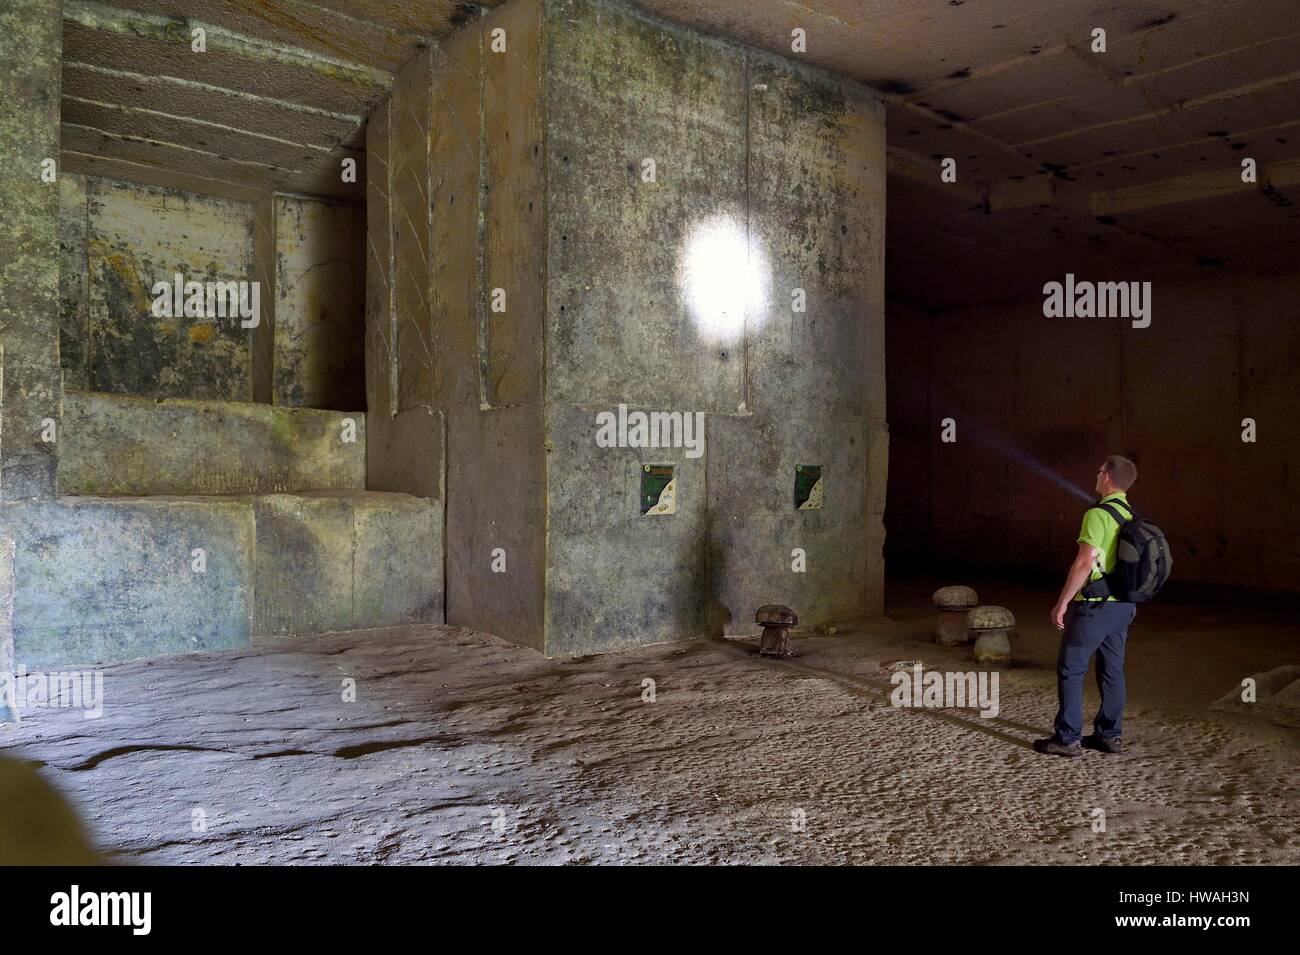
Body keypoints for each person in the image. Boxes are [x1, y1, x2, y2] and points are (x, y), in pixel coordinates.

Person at [1035, 455, 1139, 758]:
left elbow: (1084, 562)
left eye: (1099, 471)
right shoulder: (1130, 514)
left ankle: (1067, 739)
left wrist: (1062, 602)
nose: (1096, 475)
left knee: (1071, 669)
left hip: (1094, 606)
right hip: (1123, 606)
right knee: (1112, 670)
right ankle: (1110, 736)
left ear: (1107, 477)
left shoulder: (1098, 514)